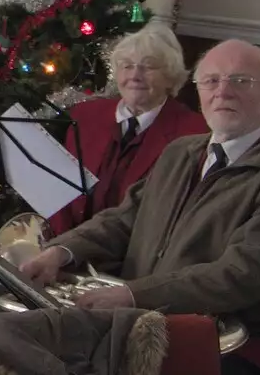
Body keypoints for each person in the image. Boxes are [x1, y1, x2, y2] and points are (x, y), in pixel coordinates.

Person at [20, 39, 260, 375]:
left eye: (241, 80)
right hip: (146, 323)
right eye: (211, 81)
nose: (223, 91)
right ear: (197, 91)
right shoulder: (180, 152)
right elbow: (123, 219)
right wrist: (61, 251)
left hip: (242, 343)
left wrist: (134, 295)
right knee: (24, 363)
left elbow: (241, 274)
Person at [47, 21, 206, 235]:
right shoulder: (85, 116)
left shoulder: (194, 132)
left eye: (148, 66)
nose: (135, 76)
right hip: (68, 246)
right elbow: (62, 192)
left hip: (135, 254)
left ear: (171, 76)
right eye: (127, 66)